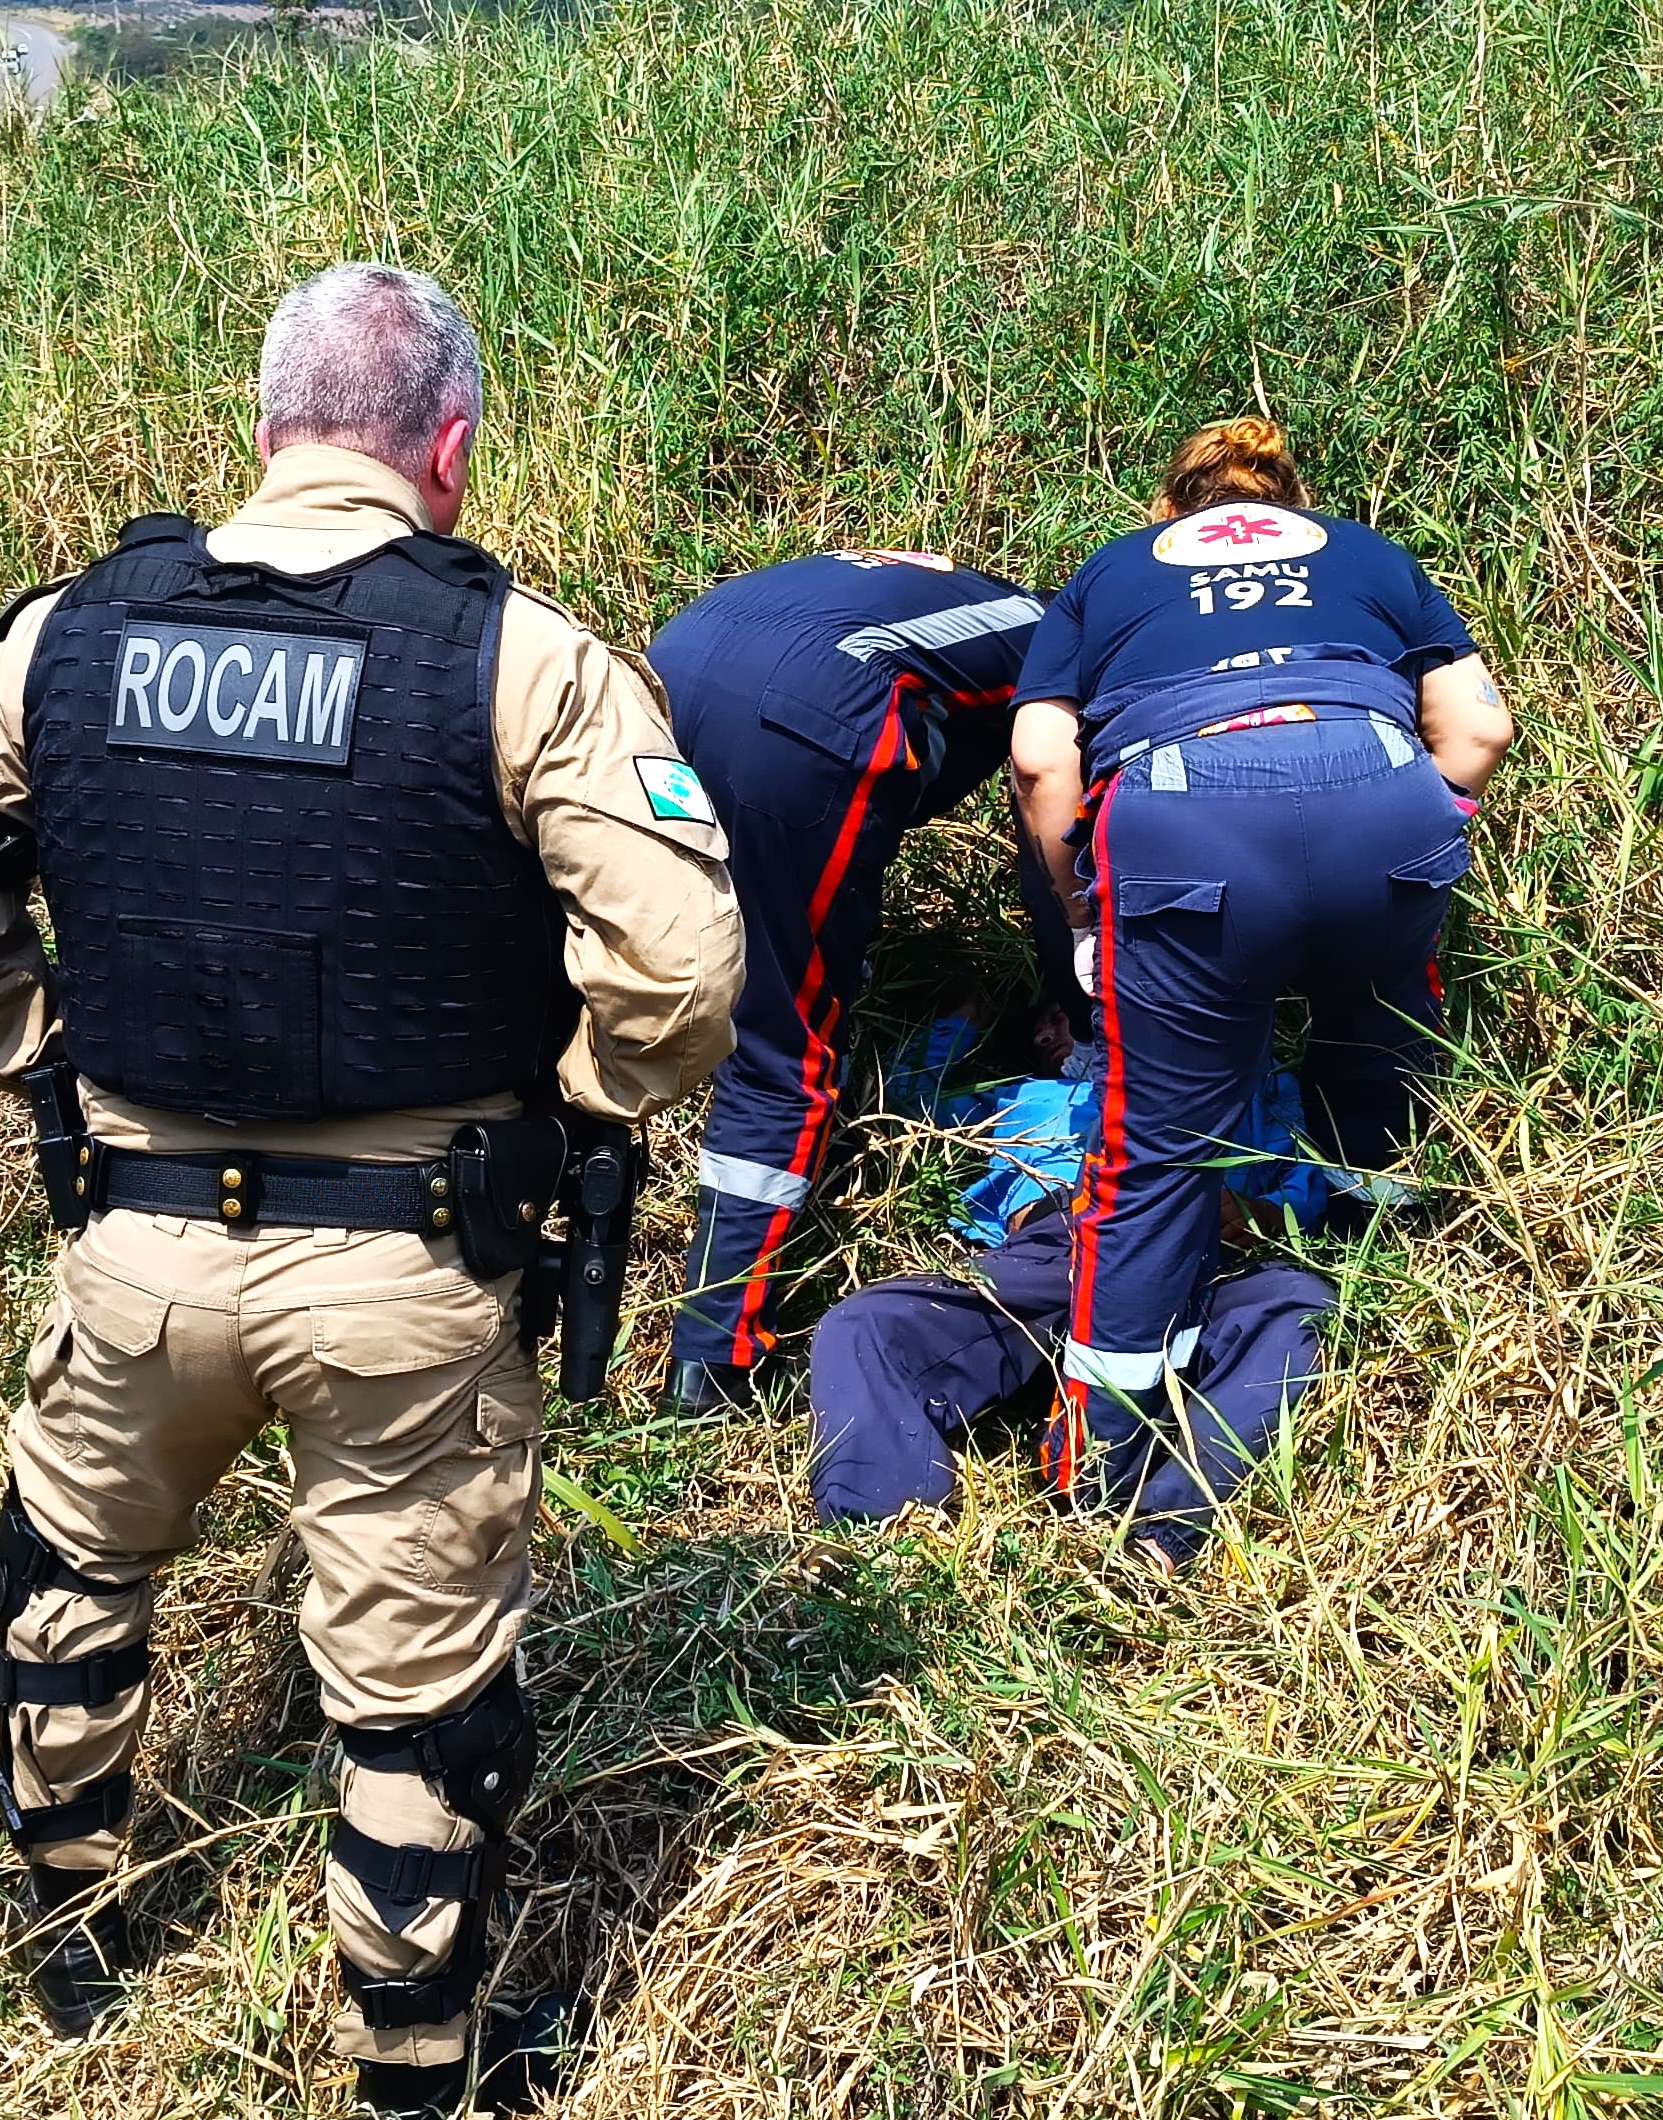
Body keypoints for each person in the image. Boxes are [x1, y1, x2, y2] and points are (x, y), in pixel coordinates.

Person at [0, 264, 740, 2120]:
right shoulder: (523, 659)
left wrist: (49, 1065)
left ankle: (72, 1947)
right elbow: (678, 963)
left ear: (263, 434)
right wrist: (579, 1109)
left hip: (133, 1246)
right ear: (454, 449)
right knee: (413, 1688)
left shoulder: (69, 636)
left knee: (69, 1572)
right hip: (409, 1261)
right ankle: (417, 2087)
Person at [1002, 417, 1509, 1529]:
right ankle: (1369, 1315)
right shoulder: (1367, 552)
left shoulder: (1112, 575)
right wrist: (1425, 824)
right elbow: (1476, 728)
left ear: (1170, 506)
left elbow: (1043, 758)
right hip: (1385, 796)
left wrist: (1083, 897)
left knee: (1154, 1151)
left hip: (1186, 822)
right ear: (1286, 495)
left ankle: (1097, 1470)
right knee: (1371, 1048)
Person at [641, 548, 1066, 1416]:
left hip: (662, 683)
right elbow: (1053, 817)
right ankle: (712, 1356)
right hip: (801, 723)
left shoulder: (918, 589)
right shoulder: (1066, 646)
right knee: (781, 1043)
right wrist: (1074, 981)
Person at [809, 1056, 1335, 1565]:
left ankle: (1163, 1536)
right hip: (1055, 1250)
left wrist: (1260, 1213)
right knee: (866, 1324)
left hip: (1203, 1257)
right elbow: (906, 1091)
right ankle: (878, 1526)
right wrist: (964, 1014)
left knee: (1301, 1307)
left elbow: (1323, 1185)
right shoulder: (1032, 1095)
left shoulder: (1262, 1092)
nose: (1053, 1028)